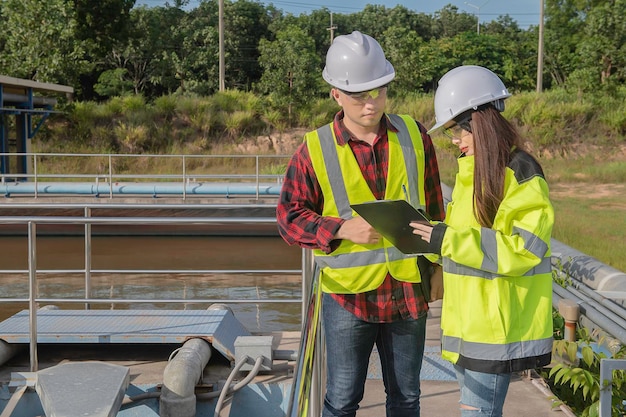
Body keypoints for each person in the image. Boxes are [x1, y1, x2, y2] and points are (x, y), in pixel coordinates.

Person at [276, 31, 444, 417]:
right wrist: (338, 228)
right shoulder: (314, 148)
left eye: (379, 92)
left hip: (408, 290)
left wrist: (437, 267)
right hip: (347, 299)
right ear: (336, 93)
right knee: (342, 400)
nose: (371, 104)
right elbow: (289, 219)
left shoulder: (415, 136)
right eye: (359, 95)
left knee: (406, 398)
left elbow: (435, 210)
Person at [410, 65, 554, 417]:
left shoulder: (520, 172)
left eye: (458, 131)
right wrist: (433, 243)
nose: (455, 141)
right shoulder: (470, 172)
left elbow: (523, 250)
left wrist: (448, 240)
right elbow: (466, 243)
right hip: (466, 327)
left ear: (480, 122)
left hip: (494, 330)